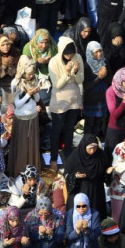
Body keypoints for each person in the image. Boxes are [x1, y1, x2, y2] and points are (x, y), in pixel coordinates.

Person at [48, 36, 84, 169]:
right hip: (59, 102)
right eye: (67, 54)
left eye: (72, 53)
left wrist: (75, 72)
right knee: (56, 130)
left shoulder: (77, 58)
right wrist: (67, 73)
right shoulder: (53, 62)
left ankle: (68, 155)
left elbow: (80, 80)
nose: (70, 56)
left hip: (74, 100)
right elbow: (57, 85)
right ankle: (53, 158)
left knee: (69, 129)